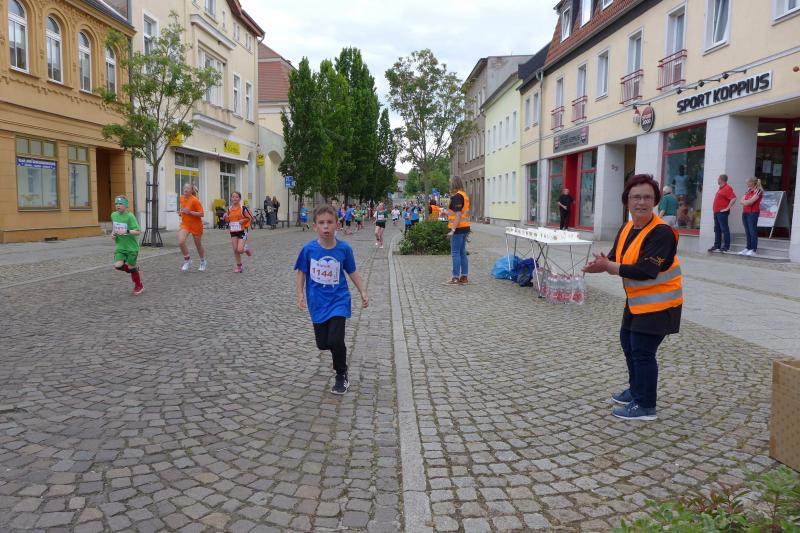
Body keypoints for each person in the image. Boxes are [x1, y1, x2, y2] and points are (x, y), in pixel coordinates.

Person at [583, 174, 682, 421]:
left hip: (661, 304)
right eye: (636, 197)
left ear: (655, 201)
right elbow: (615, 257)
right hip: (638, 302)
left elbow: (646, 270)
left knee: (642, 352)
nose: (641, 202)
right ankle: (636, 390)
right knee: (628, 344)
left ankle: (646, 405)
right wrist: (601, 264)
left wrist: (609, 267)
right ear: (626, 200)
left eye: (647, 197)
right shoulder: (627, 227)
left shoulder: (662, 232)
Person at [294, 205, 369, 395]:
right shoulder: (308, 249)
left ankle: (341, 374)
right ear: (315, 226)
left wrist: (362, 291)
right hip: (317, 302)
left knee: (336, 339)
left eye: (329, 222)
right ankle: (337, 354)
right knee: (322, 343)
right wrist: (300, 293)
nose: (326, 227)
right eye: (321, 223)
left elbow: (352, 271)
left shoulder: (344, 249)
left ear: (337, 224)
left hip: (338, 300)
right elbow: (302, 272)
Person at [110, 195, 144, 295]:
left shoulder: (130, 216)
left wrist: (127, 231)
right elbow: (115, 228)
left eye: (120, 203)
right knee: (117, 265)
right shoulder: (113, 215)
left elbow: (138, 231)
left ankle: (139, 285)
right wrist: (113, 234)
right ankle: (134, 269)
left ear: (126, 205)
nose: (118, 205)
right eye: (116, 203)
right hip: (120, 246)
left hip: (131, 248)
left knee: (130, 267)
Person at [445, 176, 471, 285]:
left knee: (455, 253)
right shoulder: (464, 195)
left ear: (453, 184)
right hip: (465, 227)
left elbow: (458, 214)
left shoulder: (457, 196)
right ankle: (464, 277)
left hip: (458, 229)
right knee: (462, 252)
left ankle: (455, 277)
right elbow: (458, 212)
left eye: (450, 183)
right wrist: (446, 213)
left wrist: (453, 230)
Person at [178, 182, 207, 272]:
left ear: (191, 191)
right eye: (184, 188)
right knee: (181, 241)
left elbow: (201, 214)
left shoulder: (195, 200)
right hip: (185, 224)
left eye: (188, 188)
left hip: (196, 225)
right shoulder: (181, 198)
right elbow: (183, 209)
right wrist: (181, 212)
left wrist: (190, 212)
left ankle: (202, 261)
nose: (185, 190)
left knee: (198, 245)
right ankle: (187, 260)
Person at [223, 192, 253, 273]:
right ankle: (239, 266)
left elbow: (249, 217)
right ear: (231, 198)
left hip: (242, 231)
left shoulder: (243, 208)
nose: (234, 198)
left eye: (236, 197)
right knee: (235, 250)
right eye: (233, 197)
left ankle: (245, 248)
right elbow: (228, 220)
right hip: (233, 231)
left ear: (239, 198)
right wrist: (225, 217)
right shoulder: (229, 209)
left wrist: (243, 220)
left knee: (239, 250)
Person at [709, 174, 737, 252]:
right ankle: (717, 246)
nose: (717, 180)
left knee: (724, 229)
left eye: (718, 179)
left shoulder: (727, 188)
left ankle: (726, 247)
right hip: (716, 212)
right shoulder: (720, 188)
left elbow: (733, 198)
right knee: (717, 229)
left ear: (721, 179)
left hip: (722, 213)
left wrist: (727, 208)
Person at [739, 177, 763, 256]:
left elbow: (751, 202)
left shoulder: (758, 191)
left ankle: (753, 249)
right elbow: (741, 201)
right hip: (745, 212)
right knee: (747, 231)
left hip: (753, 213)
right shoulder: (748, 191)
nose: (747, 184)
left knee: (752, 231)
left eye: (748, 182)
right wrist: (746, 202)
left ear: (752, 183)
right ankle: (748, 247)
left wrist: (746, 202)